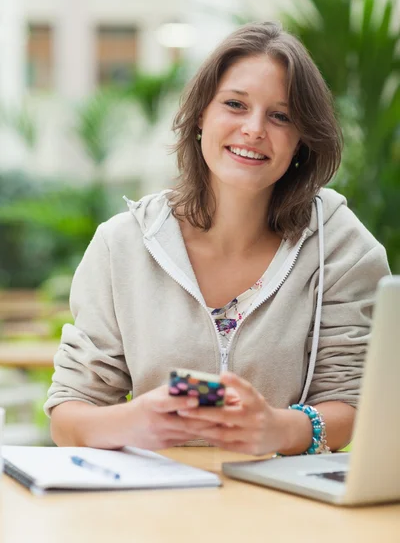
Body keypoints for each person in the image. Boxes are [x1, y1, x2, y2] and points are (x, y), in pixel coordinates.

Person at [45, 22, 390, 456]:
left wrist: (279, 429)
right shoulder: (123, 244)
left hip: (288, 509)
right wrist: (130, 421)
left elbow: (354, 402)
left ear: (302, 140)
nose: (254, 128)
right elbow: (69, 414)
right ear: (200, 117)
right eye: (235, 104)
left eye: (280, 116)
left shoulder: (342, 247)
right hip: (147, 506)